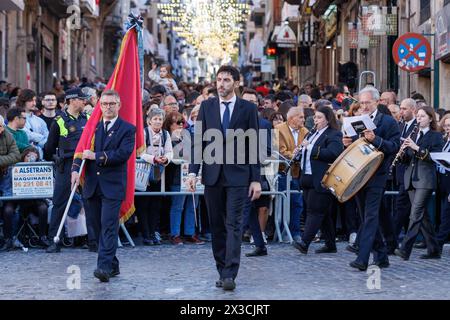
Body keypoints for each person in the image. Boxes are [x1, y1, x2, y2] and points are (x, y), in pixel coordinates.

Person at [186, 65, 261, 291]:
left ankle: (230, 273)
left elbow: (254, 145)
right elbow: (198, 142)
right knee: (217, 226)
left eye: (226, 80)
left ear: (236, 83)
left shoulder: (247, 109)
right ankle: (221, 269)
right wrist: (192, 171)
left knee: (234, 224)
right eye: (219, 80)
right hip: (212, 175)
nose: (221, 84)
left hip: (239, 176)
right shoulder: (207, 107)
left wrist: (255, 178)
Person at [71, 89, 136, 282]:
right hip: (92, 185)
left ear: (119, 105)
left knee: (108, 226)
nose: (108, 107)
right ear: (100, 105)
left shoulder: (127, 129)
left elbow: (123, 154)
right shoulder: (93, 127)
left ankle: (104, 267)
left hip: (112, 185)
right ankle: (113, 264)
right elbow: (81, 149)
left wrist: (98, 156)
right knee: (97, 228)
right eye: (105, 104)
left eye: (112, 104)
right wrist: (75, 169)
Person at [344, 86, 400, 271]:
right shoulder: (356, 121)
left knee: (370, 216)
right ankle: (382, 256)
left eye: (368, 102)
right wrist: (346, 142)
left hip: (378, 175)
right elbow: (354, 147)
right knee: (366, 215)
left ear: (377, 102)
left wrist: (376, 139)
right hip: (359, 174)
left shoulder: (388, 122)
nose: (365, 106)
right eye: (362, 102)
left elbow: (394, 147)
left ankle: (362, 258)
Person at [394, 107, 444, 260]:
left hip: (425, 179)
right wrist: (401, 153)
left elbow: (434, 157)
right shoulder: (413, 134)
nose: (419, 119)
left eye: (422, 116)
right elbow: (408, 159)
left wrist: (416, 147)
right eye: (418, 116)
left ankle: (405, 249)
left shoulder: (435, 136)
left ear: (430, 118)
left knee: (415, 213)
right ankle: (434, 249)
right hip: (410, 177)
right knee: (423, 216)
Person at [44, 88, 90, 253]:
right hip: (67, 164)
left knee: (90, 202)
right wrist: (55, 159)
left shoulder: (89, 118)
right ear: (72, 100)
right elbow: (49, 148)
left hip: (86, 165)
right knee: (60, 203)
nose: (85, 102)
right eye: (81, 99)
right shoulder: (59, 121)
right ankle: (54, 240)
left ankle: (91, 239)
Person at [292, 106, 343, 254]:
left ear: (328, 119)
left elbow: (334, 153)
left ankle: (305, 242)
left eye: (320, 117)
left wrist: (311, 148)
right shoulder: (311, 133)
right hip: (307, 175)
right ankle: (330, 244)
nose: (316, 120)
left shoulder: (334, 134)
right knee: (322, 212)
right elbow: (306, 152)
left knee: (315, 211)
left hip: (322, 177)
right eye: (315, 117)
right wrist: (299, 152)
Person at [163, 112, 204, 245]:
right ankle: (175, 233)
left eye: (182, 122)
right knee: (178, 206)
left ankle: (190, 233)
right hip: (176, 177)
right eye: (177, 122)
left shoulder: (189, 136)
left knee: (192, 205)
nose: (180, 125)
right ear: (170, 125)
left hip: (192, 175)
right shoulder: (167, 138)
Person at [1, 147, 50, 250]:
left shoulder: (40, 168)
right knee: (8, 210)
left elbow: (46, 185)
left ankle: (42, 237)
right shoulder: (14, 167)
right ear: (23, 156)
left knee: (43, 207)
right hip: (15, 197)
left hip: (33, 197)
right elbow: (5, 187)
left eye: (33, 157)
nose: (30, 159)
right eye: (28, 156)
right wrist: (15, 191)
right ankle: (8, 240)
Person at [136, 108, 172, 245]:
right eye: (155, 119)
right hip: (143, 170)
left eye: (160, 119)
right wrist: (153, 158)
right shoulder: (143, 133)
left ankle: (153, 232)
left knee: (156, 203)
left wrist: (165, 159)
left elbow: (169, 151)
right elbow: (140, 152)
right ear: (149, 121)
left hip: (157, 171)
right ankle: (145, 234)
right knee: (143, 203)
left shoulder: (165, 134)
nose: (158, 121)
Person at [275, 107, 308, 242]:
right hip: (282, 171)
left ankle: (294, 232)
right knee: (283, 202)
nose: (303, 119)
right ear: (291, 118)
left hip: (297, 172)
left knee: (297, 203)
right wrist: (295, 154)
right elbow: (280, 151)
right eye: (300, 117)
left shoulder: (305, 131)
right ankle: (281, 232)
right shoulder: (279, 129)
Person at [394, 98, 417, 242]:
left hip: (411, 172)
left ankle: (392, 237)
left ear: (412, 110)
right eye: (400, 108)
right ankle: (429, 241)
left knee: (402, 206)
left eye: (404, 109)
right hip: (400, 171)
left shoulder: (417, 126)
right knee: (410, 209)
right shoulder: (400, 125)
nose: (401, 111)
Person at [16, 89, 48, 159]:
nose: (34, 103)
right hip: (21, 160)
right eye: (30, 101)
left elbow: (47, 140)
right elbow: (27, 135)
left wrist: (39, 141)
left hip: (40, 159)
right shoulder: (16, 118)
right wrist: (41, 138)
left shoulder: (40, 121)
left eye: (34, 100)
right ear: (23, 101)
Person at [436, 114, 450, 251]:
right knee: (443, 213)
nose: (447, 128)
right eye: (445, 126)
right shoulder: (445, 141)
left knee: (446, 214)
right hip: (442, 180)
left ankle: (438, 244)